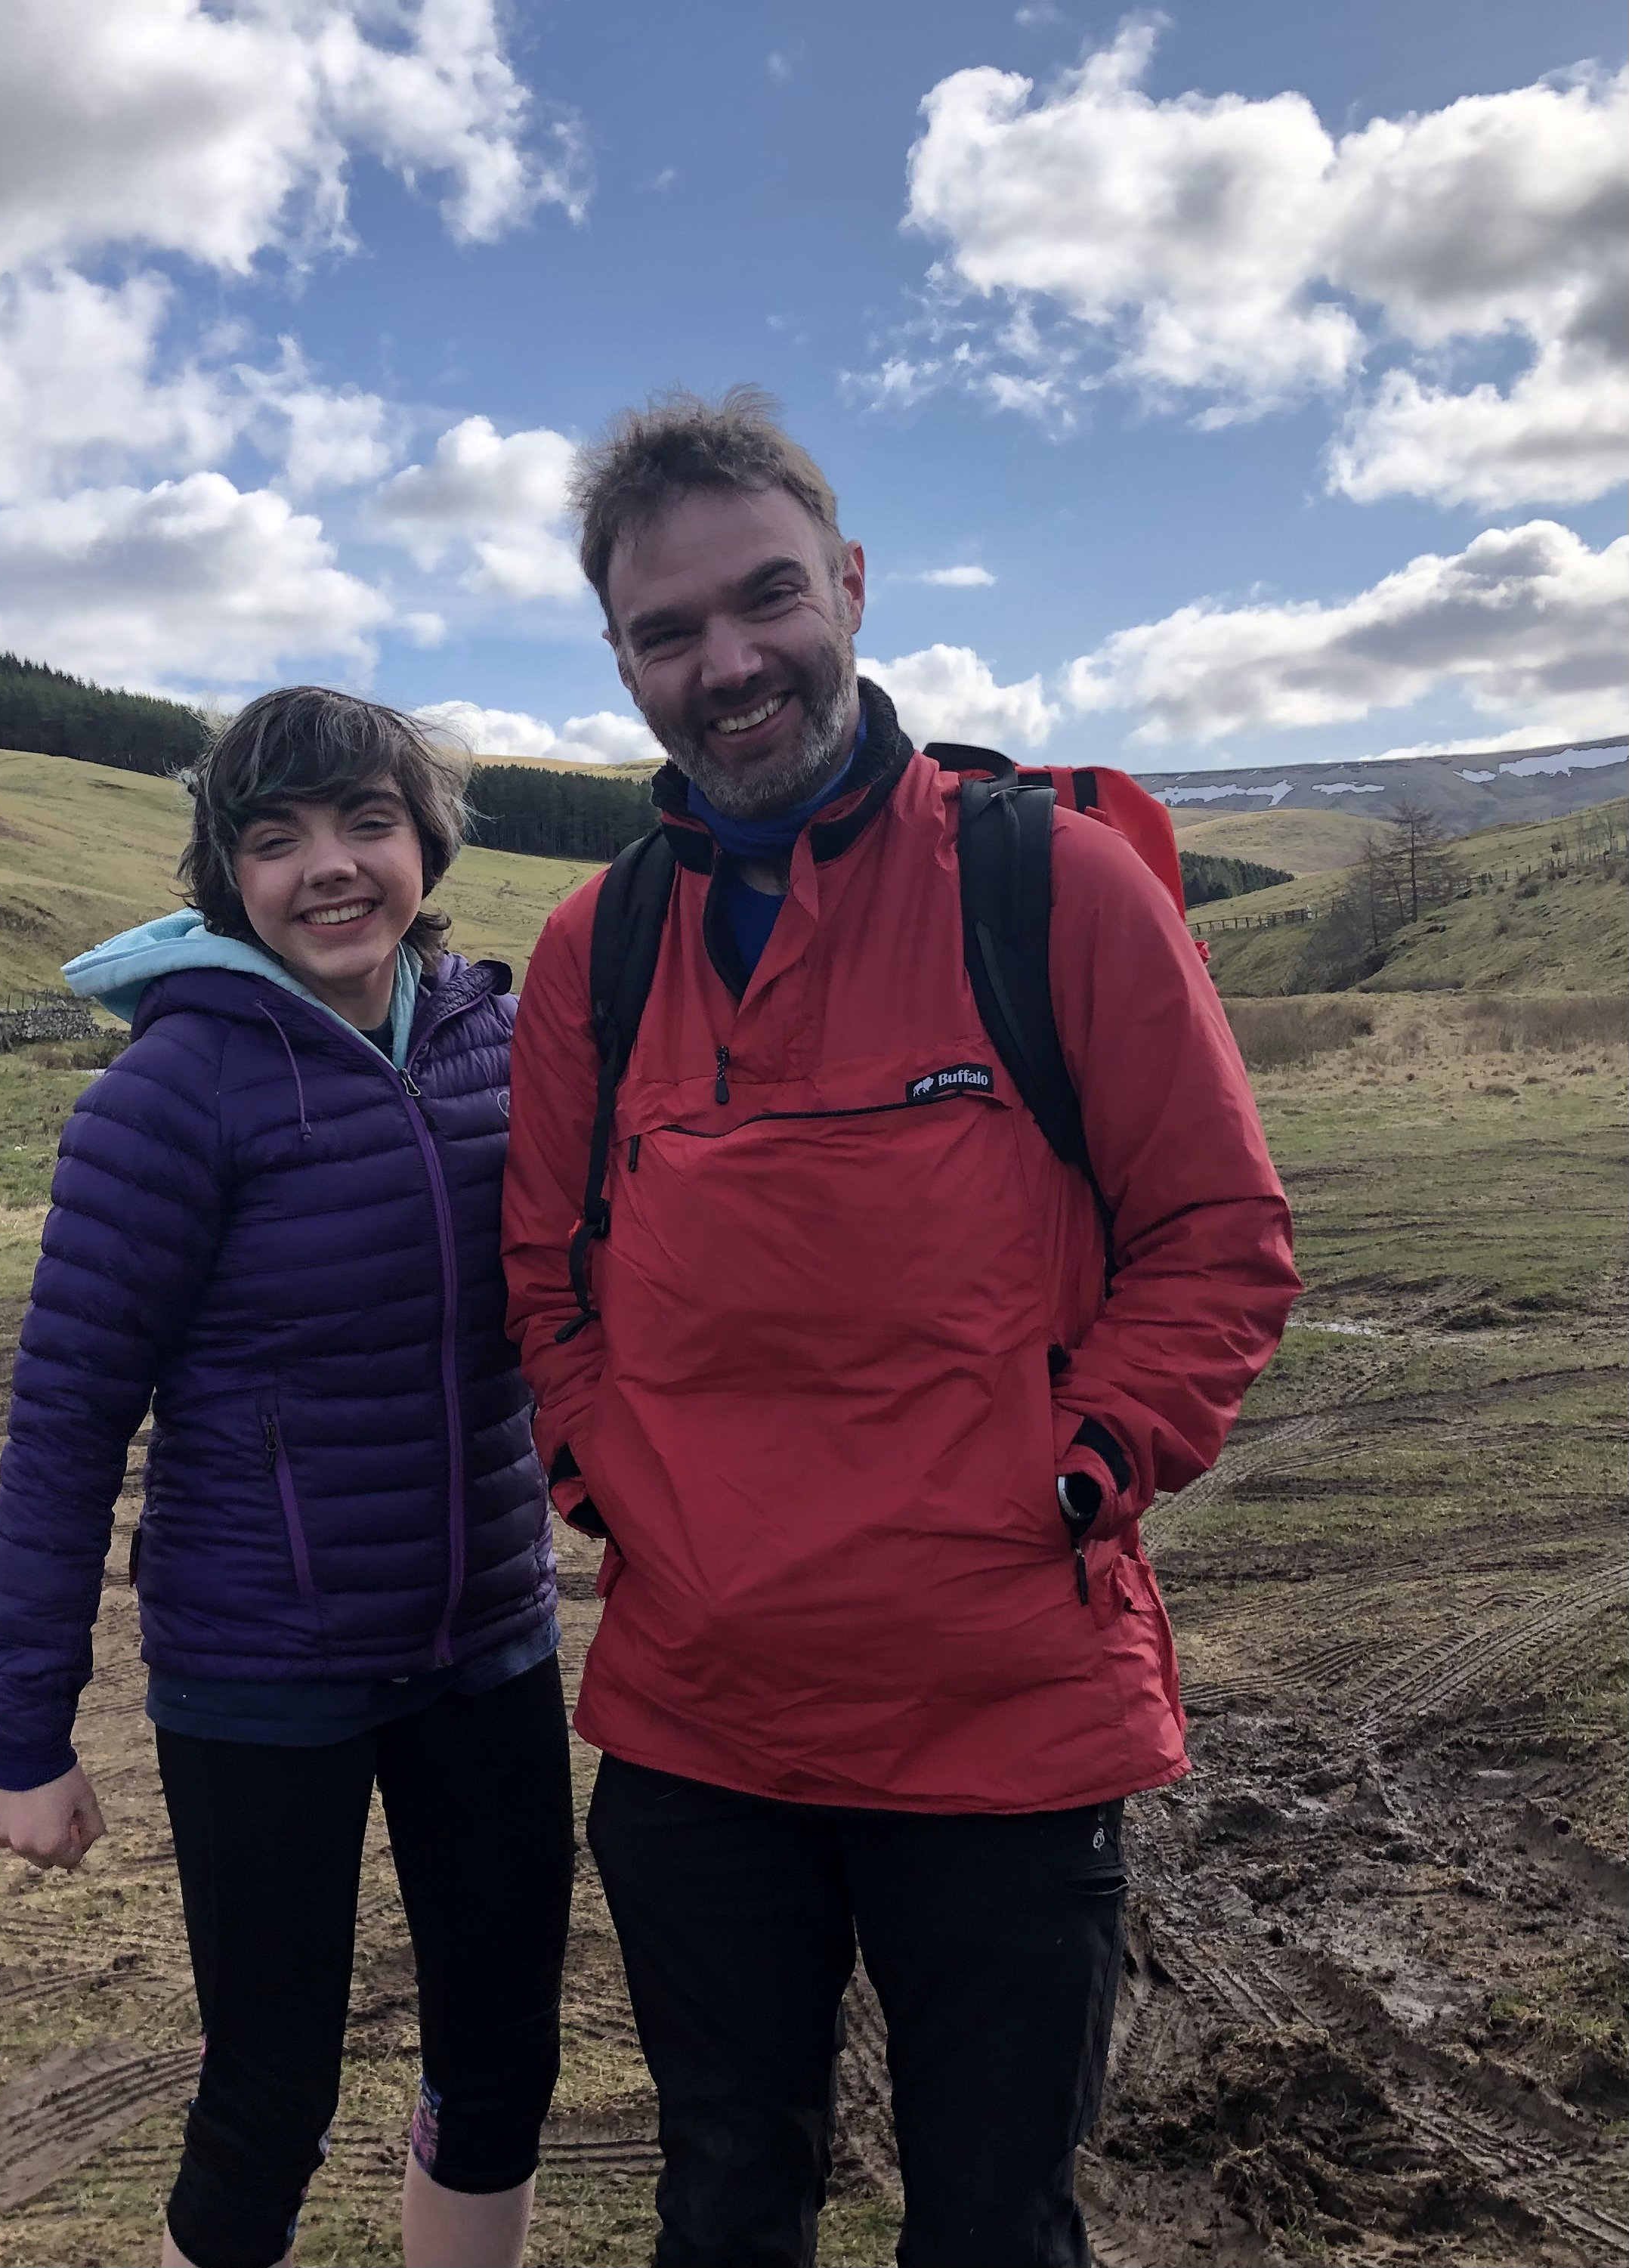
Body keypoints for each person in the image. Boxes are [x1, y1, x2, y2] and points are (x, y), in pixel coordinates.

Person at [500, 389, 1300, 2268]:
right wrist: (610, 1476)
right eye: (667, 632)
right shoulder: (587, 956)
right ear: (620, 661)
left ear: (849, 584)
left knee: (992, 2221)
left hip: (1005, 1712)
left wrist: (1078, 1469)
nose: (729, 662)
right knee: (723, 2197)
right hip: (700, 1722)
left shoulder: (1054, 883)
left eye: (764, 597)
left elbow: (1218, 1236)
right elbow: (544, 1284)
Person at [0, 687, 574, 2268]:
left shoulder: (493, 1042)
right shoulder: (172, 1093)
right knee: (269, 2092)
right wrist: (24, 1730)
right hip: (262, 1667)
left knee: (506, 2057)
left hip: (487, 1641)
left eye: (368, 821)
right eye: (275, 835)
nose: (330, 865)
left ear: (426, 843)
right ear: (222, 873)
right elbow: (64, 1421)